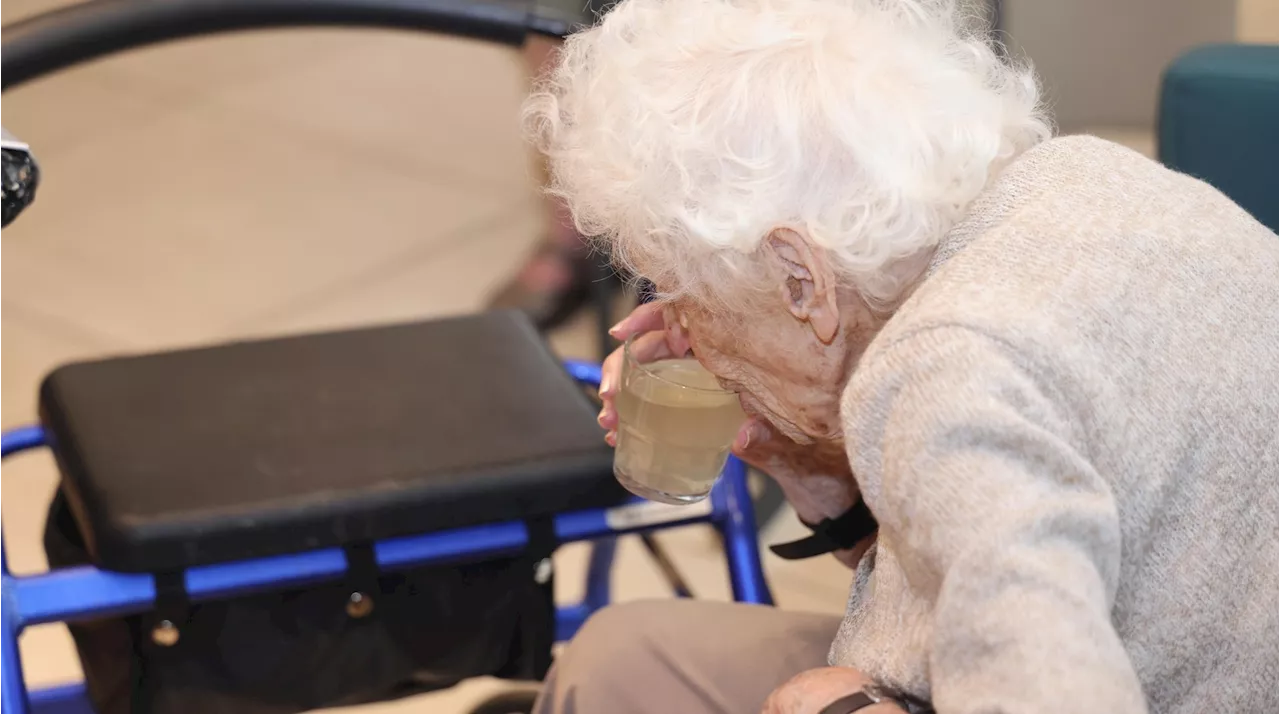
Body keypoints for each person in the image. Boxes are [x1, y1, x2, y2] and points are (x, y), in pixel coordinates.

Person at [520, 0, 1280, 711]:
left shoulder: (947, 374)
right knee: (619, 656)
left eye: (686, 291)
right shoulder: (1079, 178)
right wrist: (812, 472)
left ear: (800, 278)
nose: (681, 328)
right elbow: (986, 549)